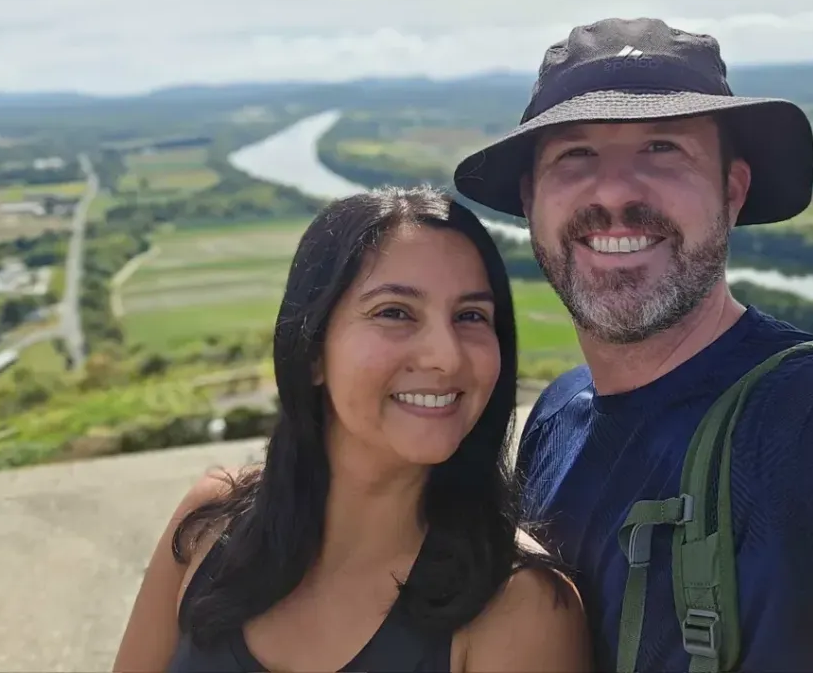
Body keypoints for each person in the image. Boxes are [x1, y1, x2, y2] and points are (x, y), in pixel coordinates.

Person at [452, 17, 813, 673]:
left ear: (731, 192)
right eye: (576, 155)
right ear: (532, 201)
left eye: (662, 148)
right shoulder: (559, 416)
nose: (616, 191)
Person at [113, 186, 592, 673]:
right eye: (395, 313)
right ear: (313, 349)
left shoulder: (519, 607)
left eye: (471, 316)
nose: (446, 357)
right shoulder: (210, 523)